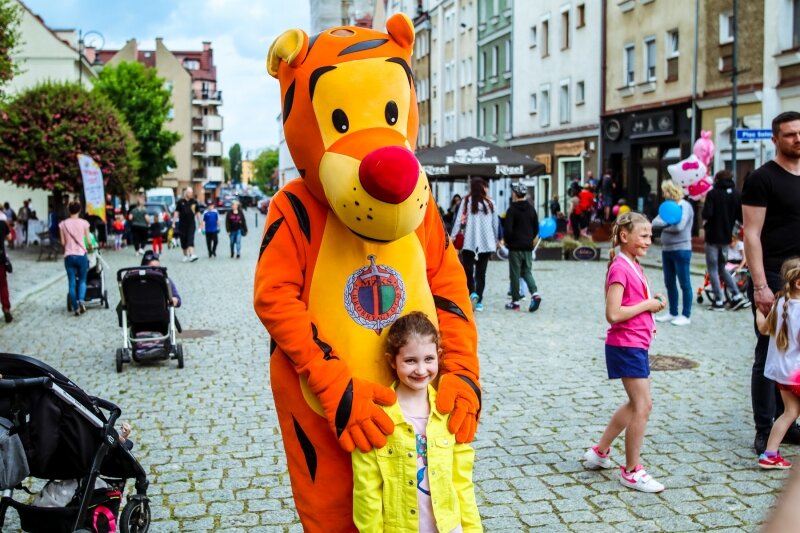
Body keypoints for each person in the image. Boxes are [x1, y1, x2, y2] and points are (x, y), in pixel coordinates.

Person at [352, 311, 482, 532]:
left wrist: (473, 529)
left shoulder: (450, 412)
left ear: (438, 356)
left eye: (429, 359)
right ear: (392, 361)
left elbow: (462, 482)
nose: (421, 370)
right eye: (410, 360)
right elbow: (367, 491)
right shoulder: (376, 418)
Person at [583, 211, 667, 493]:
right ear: (624, 236)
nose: (649, 241)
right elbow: (614, 313)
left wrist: (651, 304)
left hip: (635, 343)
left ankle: (600, 452)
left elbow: (632, 302)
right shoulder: (620, 267)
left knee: (635, 404)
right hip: (626, 345)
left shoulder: (632, 263)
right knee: (643, 405)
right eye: (643, 236)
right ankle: (631, 471)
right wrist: (647, 305)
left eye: (650, 236)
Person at [743, 111, 800, 455]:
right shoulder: (762, 179)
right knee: (768, 352)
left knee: (794, 354)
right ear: (775, 139)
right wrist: (760, 285)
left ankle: (787, 422)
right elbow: (751, 234)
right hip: (776, 276)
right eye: (791, 134)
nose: (798, 138)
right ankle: (765, 429)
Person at [754, 257, 800, 470]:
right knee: (790, 412)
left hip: (783, 372)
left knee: (790, 412)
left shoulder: (781, 303)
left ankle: (770, 454)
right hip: (796, 373)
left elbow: (763, 329)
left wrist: (758, 313)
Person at [449, 177, 498, 312]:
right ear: (482, 188)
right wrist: (496, 239)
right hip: (486, 243)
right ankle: (479, 300)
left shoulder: (465, 201)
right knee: (481, 272)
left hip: (469, 242)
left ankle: (472, 293)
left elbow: (458, 221)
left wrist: (453, 236)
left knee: (468, 271)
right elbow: (495, 224)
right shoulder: (490, 203)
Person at [703, 169, 749, 311]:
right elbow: (741, 217)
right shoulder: (736, 194)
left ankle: (718, 301)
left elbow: (707, 213)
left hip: (712, 237)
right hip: (726, 238)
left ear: (717, 179)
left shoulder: (712, 194)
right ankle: (736, 295)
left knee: (712, 269)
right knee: (722, 268)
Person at [652, 179, 694, 326]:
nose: (663, 195)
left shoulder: (684, 206)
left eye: (665, 192)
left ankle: (686, 315)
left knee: (684, 283)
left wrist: (664, 226)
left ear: (671, 191)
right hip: (667, 249)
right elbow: (654, 222)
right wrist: (667, 223)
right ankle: (673, 312)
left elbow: (679, 227)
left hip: (681, 249)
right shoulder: (667, 207)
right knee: (669, 282)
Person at [502, 183, 541, 312]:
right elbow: (536, 228)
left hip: (515, 247)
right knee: (527, 271)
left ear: (515, 194)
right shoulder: (531, 209)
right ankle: (535, 293)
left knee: (515, 274)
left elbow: (508, 229)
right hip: (528, 247)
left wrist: (508, 241)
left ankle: (515, 302)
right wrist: (529, 239)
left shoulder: (512, 210)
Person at [59, 200, 92, 316]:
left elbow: (63, 243)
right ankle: (81, 300)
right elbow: (89, 241)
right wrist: (90, 247)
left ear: (69, 210)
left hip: (69, 256)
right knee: (82, 280)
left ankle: (76, 307)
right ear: (80, 210)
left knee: (71, 282)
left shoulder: (63, 224)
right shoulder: (84, 223)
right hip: (81, 255)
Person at [175, 187, 200, 262]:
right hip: (182, 224)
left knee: (190, 239)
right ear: (186, 193)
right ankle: (185, 255)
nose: (191, 194)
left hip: (191, 224)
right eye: (189, 192)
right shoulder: (180, 202)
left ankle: (192, 255)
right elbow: (177, 212)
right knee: (183, 240)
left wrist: (200, 222)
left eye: (191, 192)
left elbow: (197, 213)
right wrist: (173, 222)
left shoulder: (194, 202)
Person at [0, 215, 12, 323]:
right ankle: (6, 308)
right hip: (0, 259)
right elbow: (9, 237)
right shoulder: (2, 224)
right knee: (3, 285)